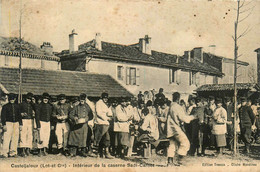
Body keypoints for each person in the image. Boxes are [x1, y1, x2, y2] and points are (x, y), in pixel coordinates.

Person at [167, 92, 196, 166]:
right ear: (178, 98)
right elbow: (183, 118)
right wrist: (193, 117)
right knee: (185, 143)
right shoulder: (177, 107)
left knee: (172, 144)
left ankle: (170, 162)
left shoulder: (170, 106)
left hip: (170, 128)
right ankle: (180, 160)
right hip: (176, 128)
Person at [0, 93, 22, 158]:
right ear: (9, 99)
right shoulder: (5, 106)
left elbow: (19, 116)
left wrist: (20, 124)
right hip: (8, 123)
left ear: (15, 99)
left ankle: (13, 152)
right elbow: (3, 116)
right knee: (6, 138)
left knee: (15, 138)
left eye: (13, 99)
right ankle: (4, 153)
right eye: (10, 99)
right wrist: (4, 125)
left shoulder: (17, 106)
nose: (12, 100)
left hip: (16, 123)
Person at [94, 92, 113, 158]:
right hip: (100, 123)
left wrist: (109, 114)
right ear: (102, 98)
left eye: (106, 98)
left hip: (105, 123)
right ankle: (99, 153)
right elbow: (99, 113)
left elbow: (109, 112)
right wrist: (107, 118)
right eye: (104, 98)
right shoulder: (98, 103)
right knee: (100, 138)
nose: (106, 99)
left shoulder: (105, 104)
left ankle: (106, 153)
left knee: (106, 138)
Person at [19, 92, 35, 157]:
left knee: (30, 134)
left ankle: (28, 149)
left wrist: (34, 102)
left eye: (30, 99)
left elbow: (37, 108)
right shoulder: (22, 104)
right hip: (24, 120)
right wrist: (21, 114)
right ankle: (22, 150)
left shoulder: (32, 104)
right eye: (28, 98)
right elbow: (18, 112)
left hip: (30, 120)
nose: (29, 100)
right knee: (23, 134)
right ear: (26, 98)